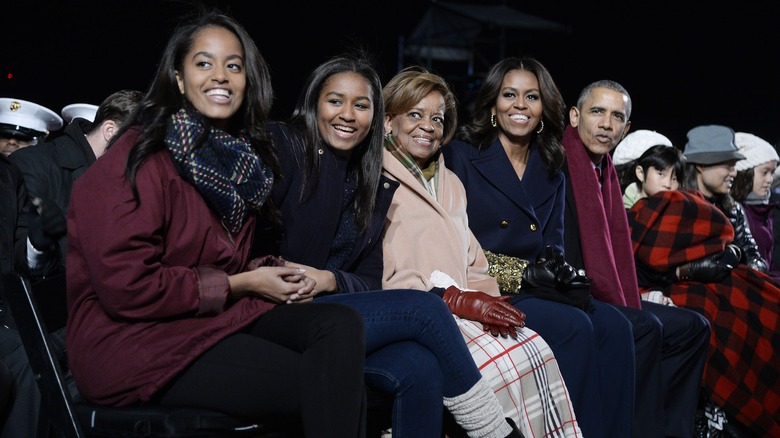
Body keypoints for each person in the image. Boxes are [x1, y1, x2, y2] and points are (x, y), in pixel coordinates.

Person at [65, 11, 367, 437]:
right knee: (325, 383)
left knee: (339, 325)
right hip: (131, 344)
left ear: (248, 80)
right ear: (179, 78)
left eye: (234, 66)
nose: (220, 76)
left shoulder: (233, 162)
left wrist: (273, 269)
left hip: (199, 322)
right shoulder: (136, 161)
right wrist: (243, 284)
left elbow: (217, 257)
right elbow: (127, 288)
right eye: (204, 63)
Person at [257, 52, 522, 437]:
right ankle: (495, 432)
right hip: (277, 305)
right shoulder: (287, 146)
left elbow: (369, 277)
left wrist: (331, 279)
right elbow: (251, 239)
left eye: (360, 105)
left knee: (420, 368)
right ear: (314, 104)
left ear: (373, 117)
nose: (348, 114)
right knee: (424, 310)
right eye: (335, 101)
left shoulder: (370, 179)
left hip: (334, 305)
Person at [381, 65, 581, 437]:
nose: (428, 125)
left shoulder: (451, 180)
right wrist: (476, 296)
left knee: (544, 347)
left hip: (480, 297)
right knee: (521, 356)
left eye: (437, 118)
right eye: (415, 115)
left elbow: (475, 259)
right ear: (389, 121)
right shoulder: (386, 177)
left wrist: (494, 299)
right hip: (425, 306)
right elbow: (386, 268)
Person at [443, 57, 636, 438]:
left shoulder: (551, 166)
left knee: (617, 325)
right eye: (509, 95)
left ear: (543, 107)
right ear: (493, 104)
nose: (519, 105)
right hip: (488, 289)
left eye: (531, 96)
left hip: (537, 289)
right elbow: (454, 245)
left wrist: (561, 272)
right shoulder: (461, 156)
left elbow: (554, 248)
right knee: (575, 327)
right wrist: (523, 273)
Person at [560, 79, 711, 438]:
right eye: (597, 112)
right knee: (645, 327)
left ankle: (669, 429)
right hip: (570, 289)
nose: (606, 124)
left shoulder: (605, 171)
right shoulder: (559, 163)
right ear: (575, 115)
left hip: (605, 290)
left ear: (626, 128)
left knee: (694, 327)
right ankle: (637, 428)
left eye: (617, 116)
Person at [625, 151, 780, 437]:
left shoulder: (713, 203)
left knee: (758, 300)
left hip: (714, 275)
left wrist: (729, 256)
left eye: (674, 177)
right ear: (639, 173)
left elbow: (738, 243)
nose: (669, 184)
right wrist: (686, 271)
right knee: (714, 314)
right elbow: (641, 258)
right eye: (661, 174)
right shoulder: (631, 208)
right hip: (665, 286)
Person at [10, 89, 143, 271]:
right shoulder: (33, 163)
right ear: (110, 131)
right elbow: (12, 258)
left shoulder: (131, 182)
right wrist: (37, 244)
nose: (146, 156)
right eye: (141, 145)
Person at [683, 125, 768, 276]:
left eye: (734, 166)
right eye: (728, 166)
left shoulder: (734, 208)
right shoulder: (677, 206)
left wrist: (736, 256)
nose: (734, 173)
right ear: (701, 165)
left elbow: (757, 260)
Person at [730, 131, 780, 280]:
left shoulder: (766, 210)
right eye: (764, 172)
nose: (770, 179)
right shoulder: (734, 212)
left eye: (772, 173)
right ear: (745, 173)